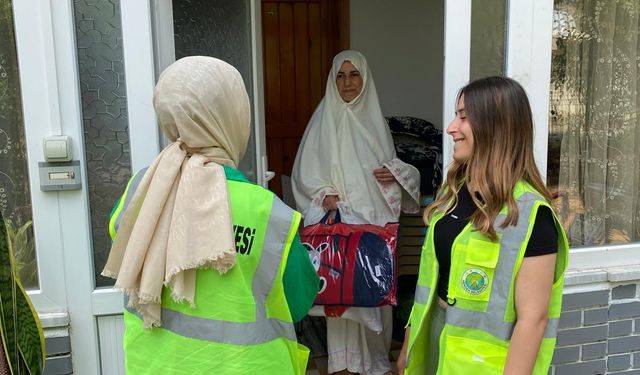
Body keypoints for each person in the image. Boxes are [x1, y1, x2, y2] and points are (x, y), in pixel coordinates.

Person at [102, 56, 319, 374]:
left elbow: (119, 235)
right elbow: (299, 301)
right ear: (232, 117)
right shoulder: (268, 213)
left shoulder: (142, 190)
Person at [397, 76, 568, 375]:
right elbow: (430, 281)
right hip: (435, 340)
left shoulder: (531, 215)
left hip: (483, 364)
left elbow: (533, 320)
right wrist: (408, 345)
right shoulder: (453, 193)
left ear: (496, 127)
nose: (451, 127)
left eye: (463, 117)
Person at [292, 50, 421, 375]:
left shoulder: (376, 122)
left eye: (354, 75)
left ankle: (377, 363)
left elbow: (398, 173)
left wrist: (395, 174)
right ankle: (345, 364)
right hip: (339, 225)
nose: (347, 82)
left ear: (365, 79)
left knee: (374, 292)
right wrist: (324, 194)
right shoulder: (322, 120)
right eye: (341, 75)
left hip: (373, 225)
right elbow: (303, 173)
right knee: (343, 293)